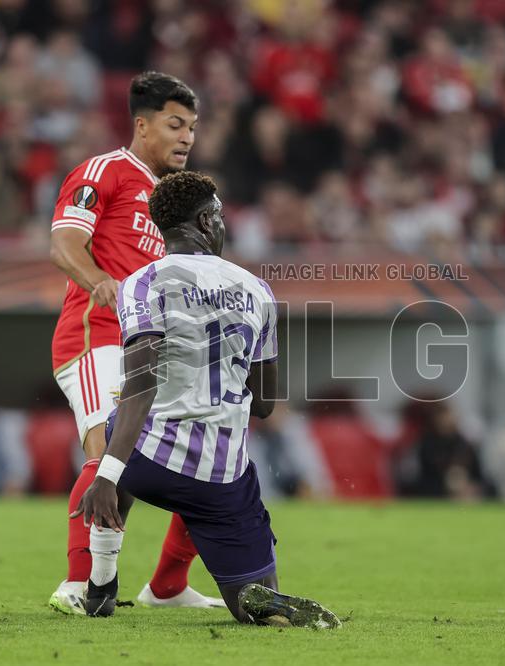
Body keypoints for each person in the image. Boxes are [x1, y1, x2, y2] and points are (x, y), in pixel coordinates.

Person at [72, 171, 339, 628]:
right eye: (219, 215)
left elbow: (141, 386)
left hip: (148, 461)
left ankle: (101, 584)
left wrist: (107, 474)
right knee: (248, 598)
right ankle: (252, 598)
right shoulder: (258, 290)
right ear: (205, 220)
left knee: (120, 420)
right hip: (221, 477)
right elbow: (265, 405)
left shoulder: (143, 282)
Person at [47, 71, 222, 614]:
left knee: (206, 457)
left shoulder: (173, 201)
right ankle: (79, 585)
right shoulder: (107, 171)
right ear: (142, 125)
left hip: (154, 347)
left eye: (192, 127)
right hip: (96, 336)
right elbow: (63, 241)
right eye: (176, 124)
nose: (187, 137)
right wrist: (97, 278)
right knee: (106, 458)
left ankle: (167, 586)